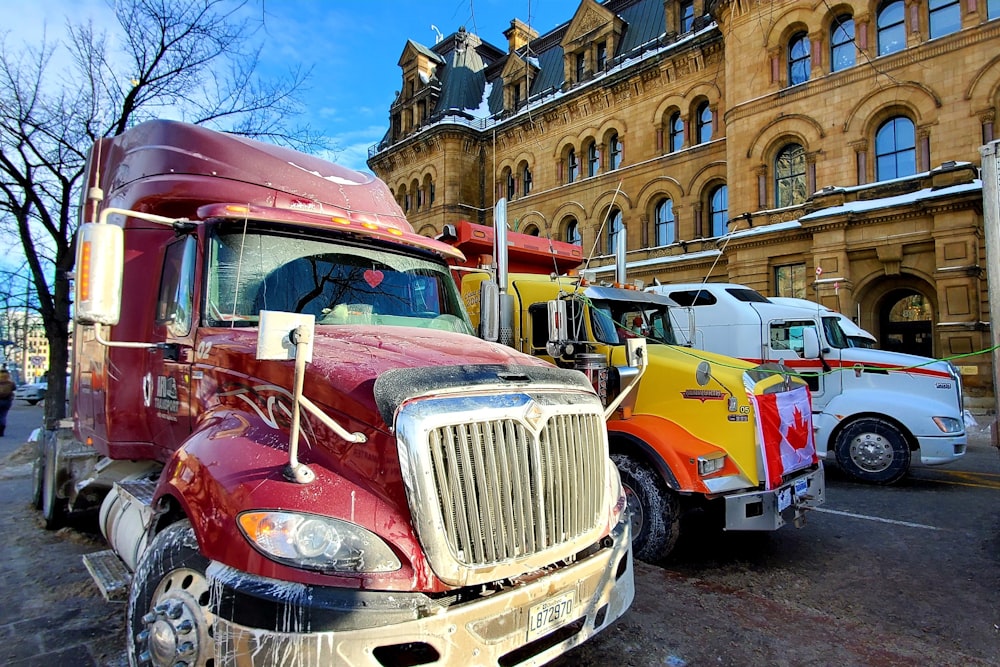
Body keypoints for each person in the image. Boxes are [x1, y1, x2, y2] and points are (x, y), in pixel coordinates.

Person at [0, 365, 15, 437]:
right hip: (7, 401)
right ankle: (1, 431)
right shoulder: (10, 383)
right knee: (3, 415)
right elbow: (14, 389)